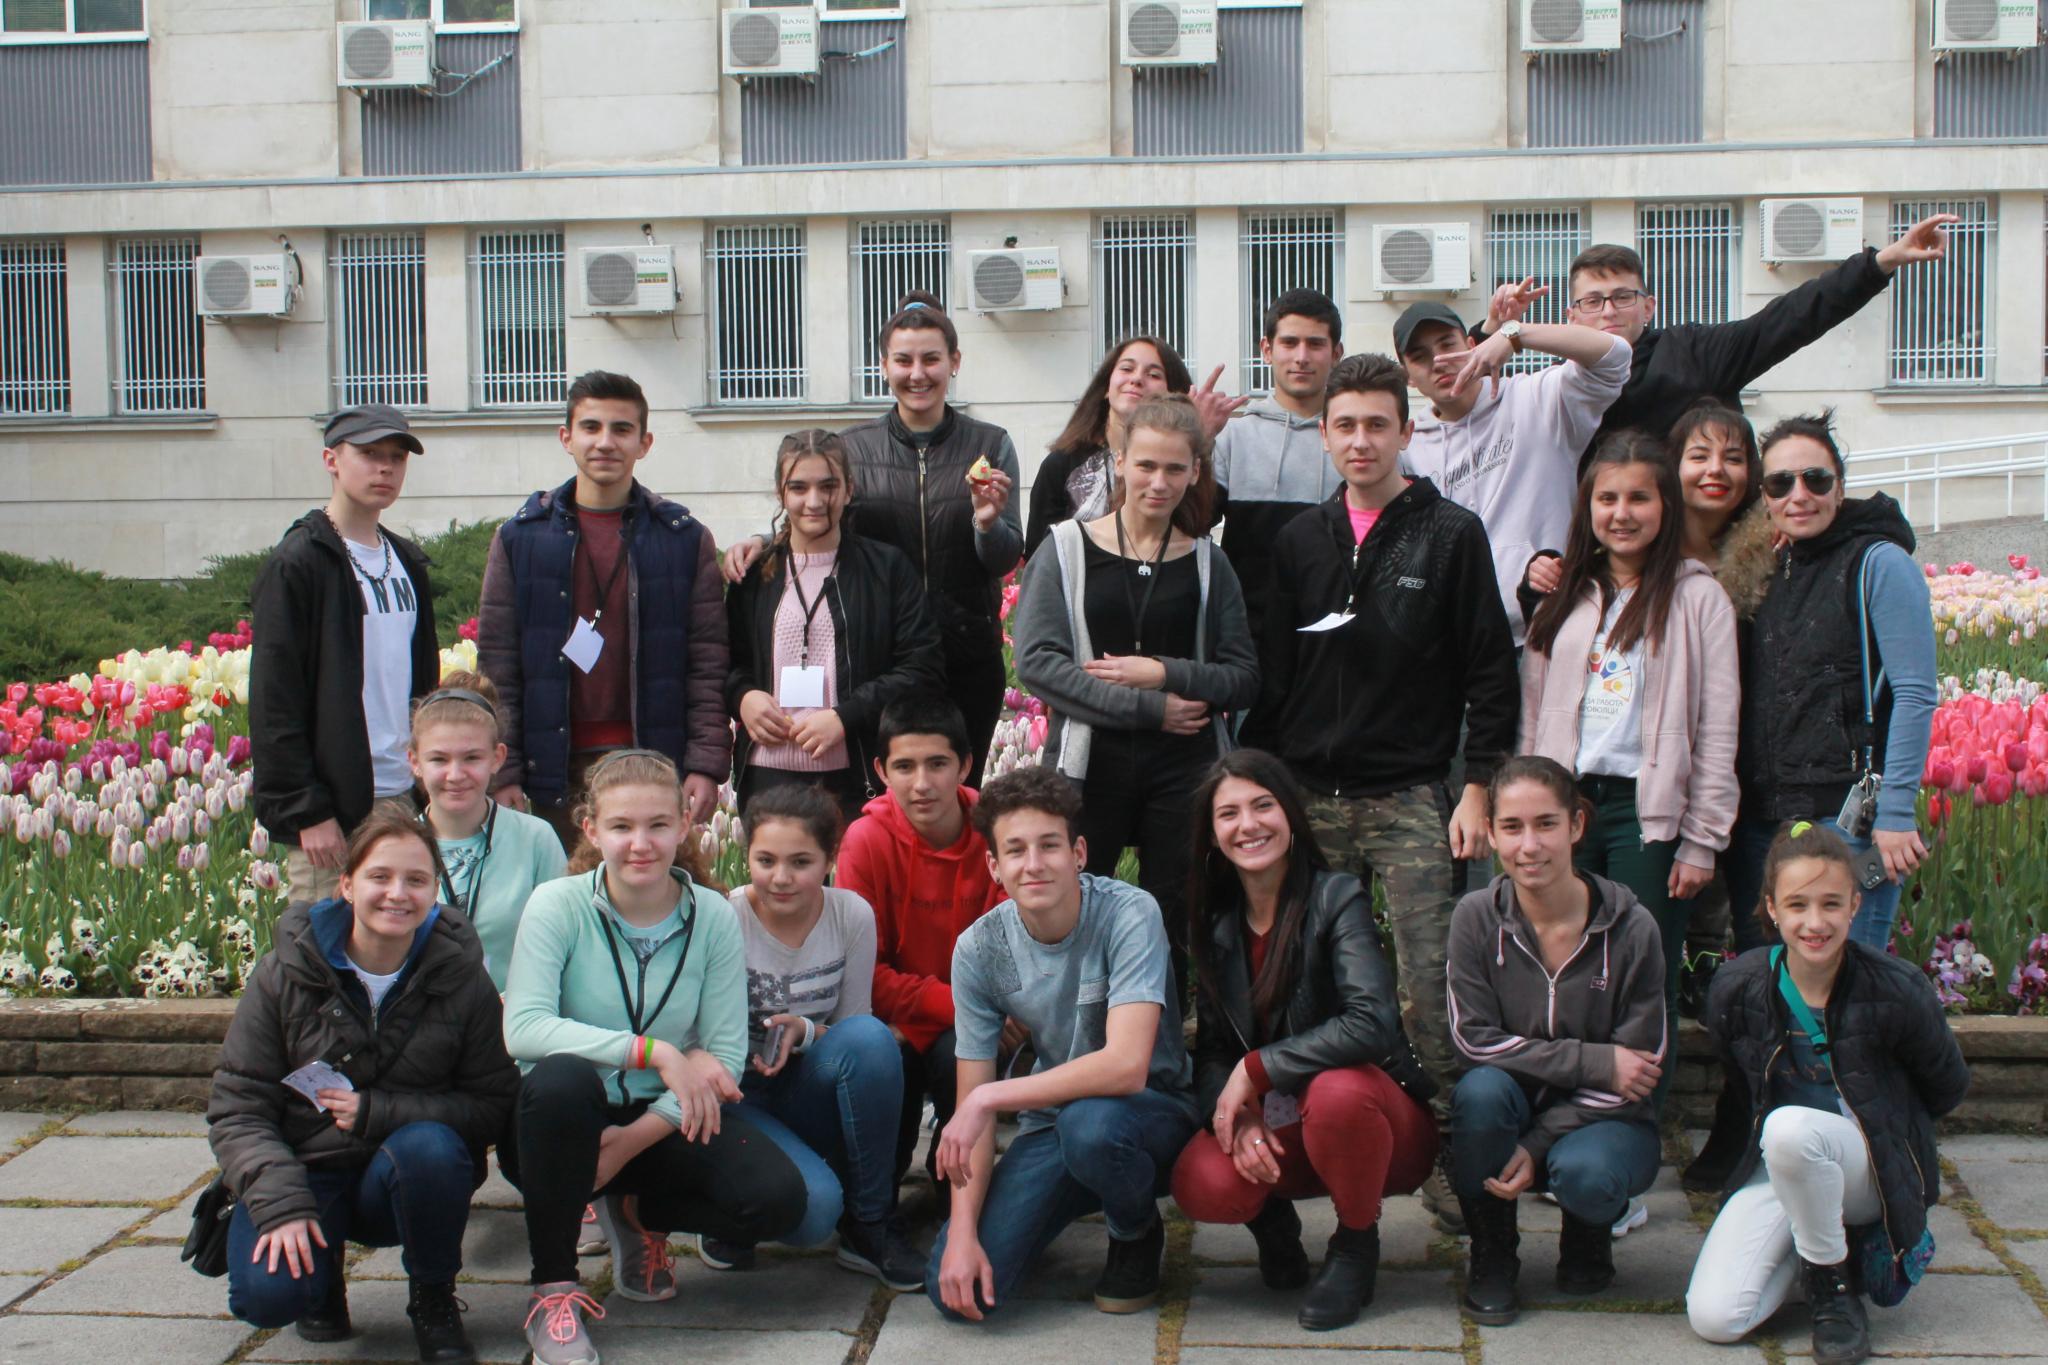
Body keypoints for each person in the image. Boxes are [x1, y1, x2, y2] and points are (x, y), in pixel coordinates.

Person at [1247, 353, 1517, 1134]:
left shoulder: (1451, 533)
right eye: (1345, 425)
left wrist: (1478, 785)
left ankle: (1448, 1143)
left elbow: (1489, 671)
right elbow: (1275, 674)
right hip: (1311, 797)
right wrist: (1263, 785)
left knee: (1429, 982)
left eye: (1376, 424)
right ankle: (1314, 1129)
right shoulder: (1301, 539)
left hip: (1410, 796)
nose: (1360, 440)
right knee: (1309, 976)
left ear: (1406, 430)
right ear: (1325, 435)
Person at [499, 750, 806, 1365]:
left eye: (657, 825)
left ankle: (635, 1210)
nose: (640, 844)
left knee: (778, 1201)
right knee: (561, 1078)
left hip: (662, 1117)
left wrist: (629, 1141)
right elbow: (525, 1029)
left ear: (685, 823)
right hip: (557, 1127)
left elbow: (725, 1053)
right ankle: (553, 1292)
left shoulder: (712, 915)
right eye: (621, 826)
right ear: (591, 829)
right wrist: (655, 1051)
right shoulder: (557, 905)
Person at [207, 808, 518, 1364]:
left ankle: (433, 1296)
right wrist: (280, 1204)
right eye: (380, 876)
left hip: (406, 1175)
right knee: (267, 1297)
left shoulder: (462, 977)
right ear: (347, 884)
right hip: (307, 1166)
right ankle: (320, 1279)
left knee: (431, 1148)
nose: (397, 893)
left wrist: (378, 1111)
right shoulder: (282, 973)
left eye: (416, 879)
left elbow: (492, 1105)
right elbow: (238, 1107)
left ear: (434, 891)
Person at [1170, 750, 1438, 1332]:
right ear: (1212, 836)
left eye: (1263, 805)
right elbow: (1213, 1051)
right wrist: (1239, 1117)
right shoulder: (1216, 923)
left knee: (1339, 1091)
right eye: (1229, 814)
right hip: (1285, 1128)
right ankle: (1274, 1223)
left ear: (1291, 814)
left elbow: (1371, 1022)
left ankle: (1355, 1244)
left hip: (1378, 1124)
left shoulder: (1336, 897)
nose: (1249, 825)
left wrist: (1257, 1069)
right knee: (1201, 1181)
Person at [1011, 393, 1261, 1007]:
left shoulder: (1208, 563)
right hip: (1089, 765)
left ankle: (1161, 1049)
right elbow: (1038, 665)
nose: (1159, 482)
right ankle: (1079, 1042)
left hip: (1185, 770)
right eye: (1146, 465)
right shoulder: (1066, 548)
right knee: (1081, 907)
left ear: (1196, 472)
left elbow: (1242, 677)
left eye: (1175, 468)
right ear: (1119, 461)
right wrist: (1151, 708)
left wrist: (1162, 673)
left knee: (1172, 915)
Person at [1687, 821, 1969, 1363]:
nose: (1815, 923)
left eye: (1831, 904)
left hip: (1868, 1167)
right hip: (1783, 1165)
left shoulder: (1895, 989)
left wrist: (1892, 1141)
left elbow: (1946, 1086)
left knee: (1790, 1129)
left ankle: (1833, 1290)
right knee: (1716, 1318)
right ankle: (1813, 1242)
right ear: (1771, 908)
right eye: (1797, 905)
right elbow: (1739, 1073)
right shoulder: (1738, 987)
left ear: (1855, 905)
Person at [925, 767, 1198, 1321]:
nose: (1034, 863)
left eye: (1049, 845)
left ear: (1078, 853)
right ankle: (1071, 1194)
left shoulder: (1128, 913)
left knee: (1091, 1128)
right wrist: (963, 1234)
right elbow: (972, 1112)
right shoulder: (979, 951)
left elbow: (1126, 1066)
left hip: (1152, 1111)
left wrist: (989, 1098)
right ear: (994, 866)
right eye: (1015, 850)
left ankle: (1134, 1230)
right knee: (954, 1291)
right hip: (1055, 1125)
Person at [1518, 432, 1739, 1095]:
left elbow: (1719, 725)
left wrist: (1702, 838)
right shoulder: (1566, 595)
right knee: (1564, 964)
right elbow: (1534, 713)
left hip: (1647, 814)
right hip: (1569, 809)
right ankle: (1568, 1111)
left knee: (1641, 972)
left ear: (1666, 505)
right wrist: (1527, 811)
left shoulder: (1698, 598)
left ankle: (1634, 1122)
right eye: (1607, 498)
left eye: (1639, 498)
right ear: (1587, 507)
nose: (1622, 513)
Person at [725, 294, 1019, 783]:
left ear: (954, 362)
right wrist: (763, 540)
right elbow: (817, 513)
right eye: (903, 360)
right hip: (879, 656)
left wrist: (986, 524)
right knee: (889, 794)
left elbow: (1005, 557)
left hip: (965, 655)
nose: (917, 373)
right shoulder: (855, 448)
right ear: (884, 367)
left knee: (955, 797)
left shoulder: (989, 444)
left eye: (931, 359)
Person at [1445, 756, 1668, 1326]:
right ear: (1491, 833)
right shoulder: (1475, 918)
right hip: (1507, 1110)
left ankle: (1587, 1236)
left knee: (1589, 1174)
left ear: (1576, 825)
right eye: (1512, 827)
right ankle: (1493, 1255)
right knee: (1480, 1093)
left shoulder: (1632, 926)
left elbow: (1638, 1070)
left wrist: (1540, 1142)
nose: (1530, 846)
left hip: (1607, 1123)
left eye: (1546, 824)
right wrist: (1594, 1061)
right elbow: (1473, 1041)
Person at [477, 370, 730, 850]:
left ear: (644, 443)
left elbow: (707, 662)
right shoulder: (520, 539)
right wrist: (504, 771)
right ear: (566, 437)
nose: (605, 442)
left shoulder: (683, 539)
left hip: (652, 761)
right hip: (553, 765)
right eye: (591, 427)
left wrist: (704, 763)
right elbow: (498, 664)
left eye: (622, 429)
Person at [1471, 214, 1960, 462]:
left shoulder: (1695, 353)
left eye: (1623, 296)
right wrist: (1490, 328)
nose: (1609, 311)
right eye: (1593, 301)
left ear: (1649, 306)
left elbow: (1791, 317)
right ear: (1570, 317)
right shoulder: (1558, 383)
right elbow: (1468, 399)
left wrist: (1880, 263)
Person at [704, 782, 925, 1289]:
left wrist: (804, 1031)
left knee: (873, 1039)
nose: (781, 878)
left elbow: (854, 1030)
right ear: (746, 854)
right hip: (736, 1093)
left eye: (800, 862)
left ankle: (870, 1222)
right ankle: (728, 1208)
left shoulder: (850, 914)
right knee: (813, 1213)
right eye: (765, 860)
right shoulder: (724, 918)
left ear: (830, 859)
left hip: (808, 1083)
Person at [1730, 413, 1935, 952]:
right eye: (1780, 483)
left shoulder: (1878, 563)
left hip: (1850, 819)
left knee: (1842, 983)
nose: (1799, 495)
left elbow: (1915, 692)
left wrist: (1896, 812)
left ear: (1839, 487)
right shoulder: (1773, 566)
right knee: (1769, 982)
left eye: (1815, 479)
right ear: (1765, 497)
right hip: (1762, 820)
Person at [251, 404, 439, 910]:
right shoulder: (300, 562)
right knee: (323, 940)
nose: (385, 468)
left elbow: (421, 686)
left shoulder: (406, 563)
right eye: (370, 454)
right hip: (333, 806)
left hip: (402, 792)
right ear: (331, 460)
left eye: (396, 457)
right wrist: (306, 809)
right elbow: (275, 700)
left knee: (397, 935)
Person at [725, 429, 945, 826]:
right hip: (767, 773)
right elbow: (724, 661)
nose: (814, 501)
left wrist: (846, 716)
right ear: (780, 493)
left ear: (849, 490)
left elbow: (922, 667)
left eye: (828, 486)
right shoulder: (755, 575)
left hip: (855, 773)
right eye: (799, 487)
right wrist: (743, 697)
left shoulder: (886, 569)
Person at [834, 692, 1008, 1187]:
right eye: (905, 767)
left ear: (966, 765)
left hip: (966, 1023)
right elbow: (862, 973)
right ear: (881, 771)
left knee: (962, 1050)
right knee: (889, 1054)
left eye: (938, 764)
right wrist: (958, 1006)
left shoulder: (996, 833)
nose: (922, 784)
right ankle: (879, 1192)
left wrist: (971, 1011)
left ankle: (955, 1187)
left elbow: (1010, 954)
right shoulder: (864, 842)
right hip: (893, 1022)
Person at [1394, 298, 1631, 645]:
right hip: (1463, 643)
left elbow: (1614, 356)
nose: (1439, 361)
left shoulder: (1537, 398)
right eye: (1420, 356)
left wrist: (1515, 334)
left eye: (1448, 345)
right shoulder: (1409, 448)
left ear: (1472, 344)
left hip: (1551, 628)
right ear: (1408, 377)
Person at [406, 672, 567, 990]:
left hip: (513, 1012)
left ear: (497, 758)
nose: (455, 774)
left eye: (471, 758)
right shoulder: (395, 845)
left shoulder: (535, 839)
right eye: (439, 759)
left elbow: (565, 941)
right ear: (414, 762)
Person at [1210, 288, 1347, 636]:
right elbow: (1187, 525)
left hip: (1336, 635)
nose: (1301, 357)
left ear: (1336, 353)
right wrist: (1192, 442)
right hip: (1249, 635)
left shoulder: (1354, 442)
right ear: (1267, 350)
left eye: (1315, 344)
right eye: (1289, 343)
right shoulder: (1231, 439)